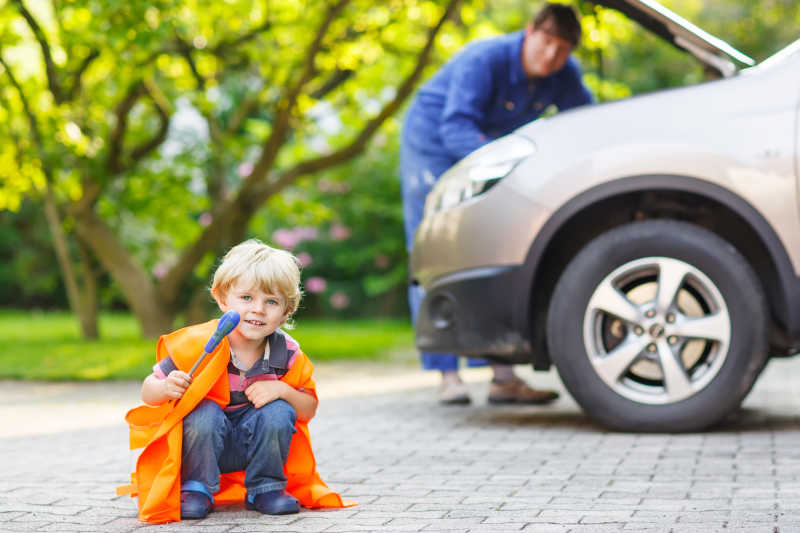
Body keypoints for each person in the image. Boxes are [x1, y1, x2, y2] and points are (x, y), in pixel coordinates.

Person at [400, 3, 594, 405]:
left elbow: (588, 122)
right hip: (434, 145)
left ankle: (502, 378)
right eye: (547, 43)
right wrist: (509, 168)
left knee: (497, 245)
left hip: (492, 151)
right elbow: (455, 126)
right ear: (529, 32)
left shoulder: (564, 74)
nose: (553, 57)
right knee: (436, 249)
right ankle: (447, 377)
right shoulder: (483, 59)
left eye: (563, 50)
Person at [126, 239, 352, 522]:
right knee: (202, 411)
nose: (258, 309)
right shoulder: (199, 345)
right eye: (246, 298)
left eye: (271, 302)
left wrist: (282, 390)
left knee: (280, 410)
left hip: (255, 447)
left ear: (286, 311)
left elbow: (307, 409)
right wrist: (164, 387)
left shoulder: (286, 353)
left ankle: (266, 487)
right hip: (203, 447)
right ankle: (196, 488)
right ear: (223, 300)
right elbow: (148, 391)